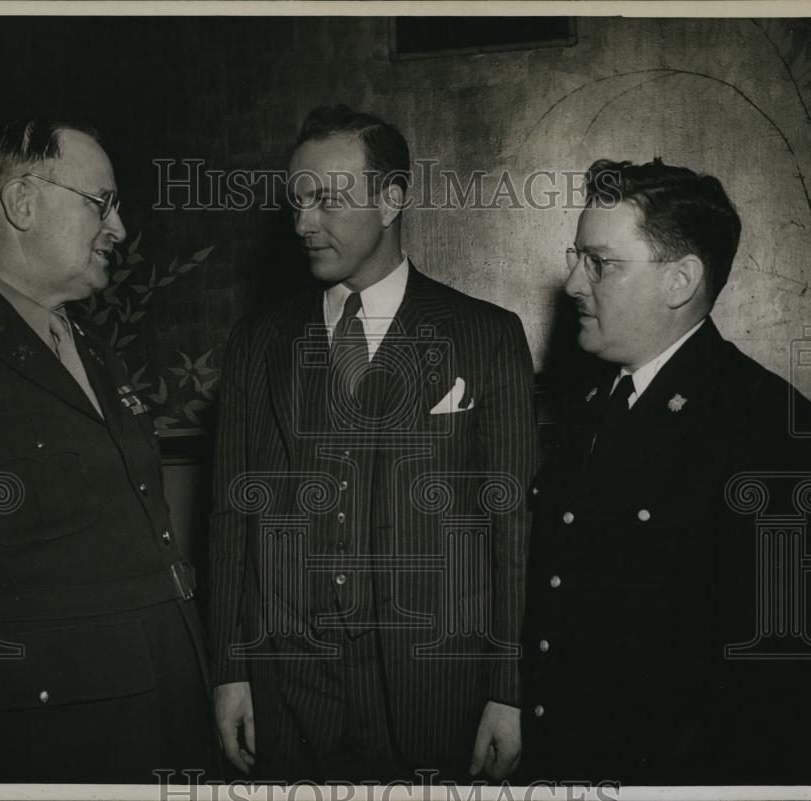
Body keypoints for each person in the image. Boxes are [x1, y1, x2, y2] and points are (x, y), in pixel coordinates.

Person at [208, 105, 538, 783]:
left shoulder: (488, 336)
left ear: (391, 198)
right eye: (296, 200)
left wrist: (507, 687)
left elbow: (513, 527)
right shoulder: (257, 342)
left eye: (327, 199)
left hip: (435, 691)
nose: (303, 222)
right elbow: (228, 518)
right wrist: (230, 669)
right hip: (290, 692)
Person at [0, 118, 217, 783]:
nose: (120, 229)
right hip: (47, 749)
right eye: (102, 203)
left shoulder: (89, 348)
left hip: (153, 723)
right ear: (22, 202)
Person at [520, 158, 811, 785]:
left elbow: (772, 687)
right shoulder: (592, 406)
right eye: (575, 257)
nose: (571, 285)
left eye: (600, 263)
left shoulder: (770, 430)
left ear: (680, 281)